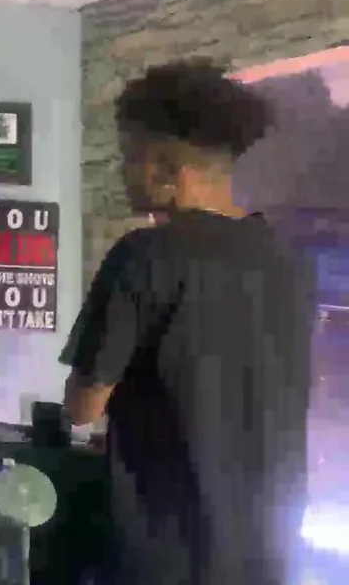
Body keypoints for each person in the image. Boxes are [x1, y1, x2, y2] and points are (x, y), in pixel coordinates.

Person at [59, 60, 313, 585]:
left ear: (166, 168)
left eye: (129, 156)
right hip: (267, 556)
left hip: (166, 556)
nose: (123, 173)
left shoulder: (144, 256)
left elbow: (83, 408)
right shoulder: (289, 262)